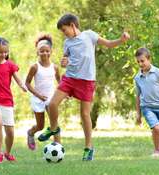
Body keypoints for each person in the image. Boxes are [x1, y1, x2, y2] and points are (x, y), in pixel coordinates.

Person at [38, 13, 130, 161]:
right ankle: (53, 128)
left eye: (64, 30)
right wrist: (64, 62)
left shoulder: (89, 35)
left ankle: (88, 147)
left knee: (85, 115)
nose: (64, 33)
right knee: (52, 104)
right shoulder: (67, 42)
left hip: (86, 81)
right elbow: (65, 58)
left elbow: (108, 44)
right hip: (69, 78)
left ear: (73, 26)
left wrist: (121, 40)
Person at [134, 47, 159, 158]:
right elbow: (137, 96)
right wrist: (138, 114)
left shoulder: (158, 73)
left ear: (149, 59)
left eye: (142, 61)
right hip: (147, 107)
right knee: (156, 128)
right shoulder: (137, 77)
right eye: (138, 62)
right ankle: (157, 150)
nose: (140, 64)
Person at [25, 34, 60, 150]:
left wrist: (65, 93)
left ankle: (58, 147)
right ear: (37, 52)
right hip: (37, 98)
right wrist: (39, 95)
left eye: (47, 51)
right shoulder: (34, 67)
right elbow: (27, 83)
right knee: (40, 126)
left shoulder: (55, 68)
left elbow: (60, 83)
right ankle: (30, 132)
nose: (44, 53)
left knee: (54, 123)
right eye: (41, 51)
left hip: (51, 99)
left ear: (51, 51)